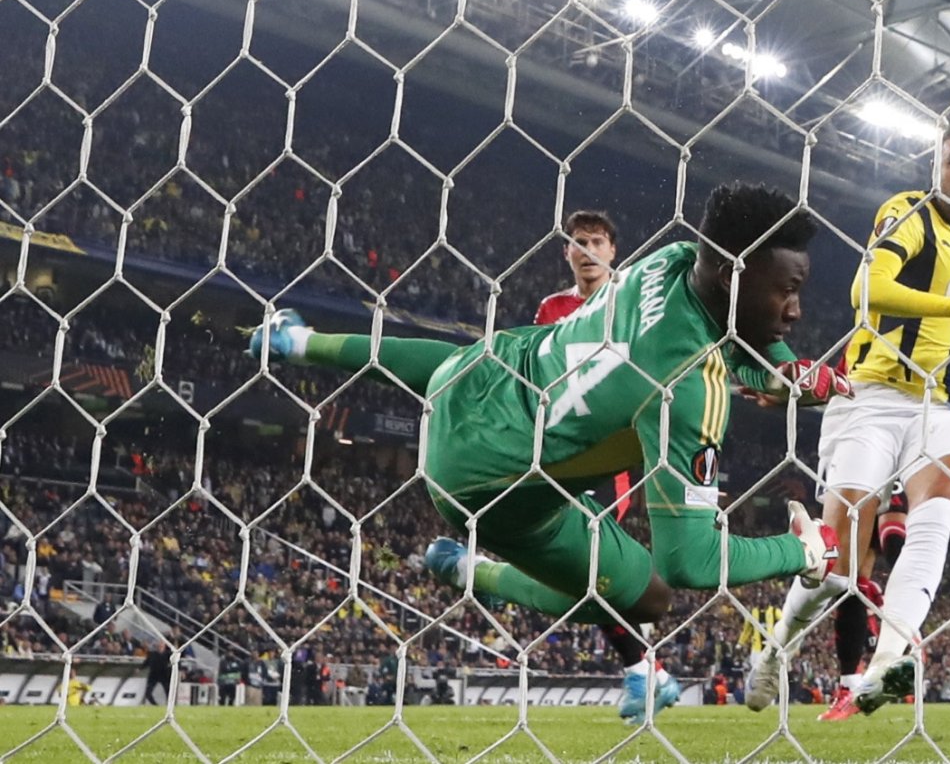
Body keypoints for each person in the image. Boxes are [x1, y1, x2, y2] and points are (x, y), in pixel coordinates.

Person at [248, 183, 848, 722]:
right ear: (730, 274)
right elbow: (690, 560)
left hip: (493, 373)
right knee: (646, 596)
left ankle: (295, 339)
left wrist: (784, 371)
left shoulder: (669, 260)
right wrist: (799, 549)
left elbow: (719, 331)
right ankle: (473, 570)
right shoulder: (688, 389)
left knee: (452, 363)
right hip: (486, 486)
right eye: (788, 291)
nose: (795, 310)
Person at [747, 122, 950, 717]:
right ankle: (776, 651)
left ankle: (889, 659)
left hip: (949, 407)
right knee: (839, 567)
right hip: (874, 398)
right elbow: (867, 291)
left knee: (935, 518)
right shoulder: (908, 212)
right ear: (936, 167)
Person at [537, 209, 680, 722]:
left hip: (613, 461)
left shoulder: (635, 303)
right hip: (562, 459)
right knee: (584, 572)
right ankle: (648, 672)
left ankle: (645, 671)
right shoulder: (552, 308)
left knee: (588, 560)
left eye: (598, 241)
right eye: (579, 242)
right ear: (567, 251)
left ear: (614, 252)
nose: (588, 251)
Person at [819, 490, 905, 720]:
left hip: (904, 465)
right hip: (859, 475)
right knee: (850, 579)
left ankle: (907, 643)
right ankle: (851, 686)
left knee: (896, 542)